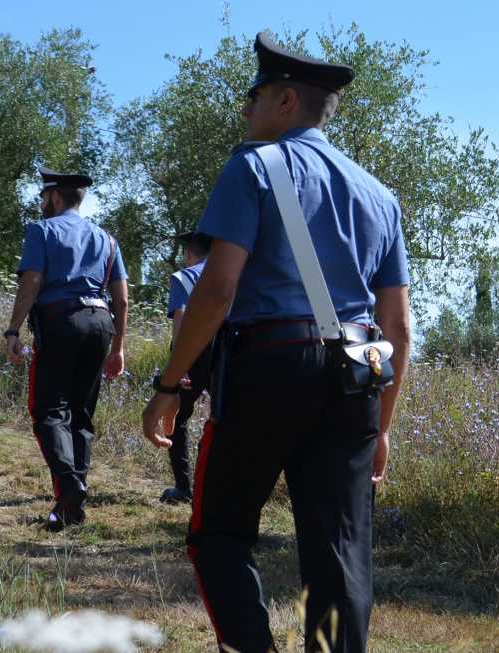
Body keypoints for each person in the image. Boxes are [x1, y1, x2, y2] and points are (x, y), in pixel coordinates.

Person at [140, 32, 411, 653]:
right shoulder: (380, 196)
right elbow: (397, 329)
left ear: (285, 101)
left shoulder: (253, 165)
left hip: (270, 364)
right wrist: (383, 427)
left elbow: (216, 290)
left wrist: (170, 384)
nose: (245, 109)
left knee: (219, 532)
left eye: (254, 96)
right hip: (358, 373)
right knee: (341, 551)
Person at [4, 167, 128, 532]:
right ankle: (70, 509)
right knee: (81, 414)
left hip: (61, 321)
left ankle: (70, 483)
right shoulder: (107, 239)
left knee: (48, 411)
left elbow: (32, 280)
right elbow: (122, 299)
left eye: (44, 197)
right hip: (100, 324)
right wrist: (118, 348)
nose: (43, 203)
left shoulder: (41, 230)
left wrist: (13, 330)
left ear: (55, 196)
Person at [159, 231, 213, 505]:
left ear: (189, 253)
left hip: (194, 352)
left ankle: (183, 487)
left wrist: (178, 366)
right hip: (228, 351)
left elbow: (180, 318)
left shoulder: (184, 277)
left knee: (176, 415)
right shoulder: (228, 275)